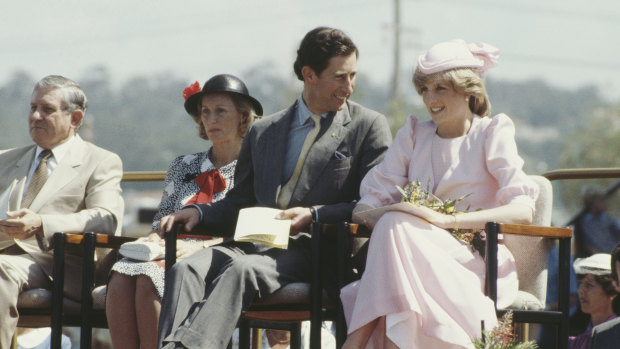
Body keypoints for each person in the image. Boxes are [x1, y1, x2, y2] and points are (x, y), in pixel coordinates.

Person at [156, 26, 392, 349]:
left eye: (353, 76)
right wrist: (197, 212)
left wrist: (313, 214)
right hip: (254, 242)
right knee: (186, 270)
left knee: (241, 270)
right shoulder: (264, 131)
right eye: (340, 77)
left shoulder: (368, 126)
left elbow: (374, 204)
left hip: (314, 250)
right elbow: (239, 201)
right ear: (309, 75)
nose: (349, 86)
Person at [340, 39, 540, 349]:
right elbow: (364, 207)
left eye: (440, 89)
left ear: (467, 91)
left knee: (396, 228)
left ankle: (355, 343)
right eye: (424, 90)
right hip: (409, 252)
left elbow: (523, 210)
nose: (430, 99)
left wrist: (448, 222)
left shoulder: (491, 133)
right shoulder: (413, 134)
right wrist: (406, 212)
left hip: (473, 260)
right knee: (396, 224)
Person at [105, 74, 262, 349]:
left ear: (242, 117)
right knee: (120, 274)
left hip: (224, 253)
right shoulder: (183, 165)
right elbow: (161, 219)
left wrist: (201, 248)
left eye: (220, 111)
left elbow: (254, 230)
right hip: (169, 250)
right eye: (205, 112)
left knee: (147, 278)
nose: (211, 119)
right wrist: (154, 239)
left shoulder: (256, 167)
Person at [0, 75, 124, 348]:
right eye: (32, 108)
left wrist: (42, 223)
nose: (35, 116)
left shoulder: (100, 161)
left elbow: (106, 218)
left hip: (57, 263)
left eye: (47, 109)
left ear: (76, 118)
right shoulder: (6, 160)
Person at [569, 253, 619, 349]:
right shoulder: (577, 339)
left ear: (612, 291)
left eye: (589, 285)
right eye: (581, 283)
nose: (580, 290)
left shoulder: (616, 334)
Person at [576, 186, 620, 257]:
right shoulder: (584, 223)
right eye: (601, 200)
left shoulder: (607, 218)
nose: (605, 203)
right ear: (593, 203)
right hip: (600, 259)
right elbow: (589, 247)